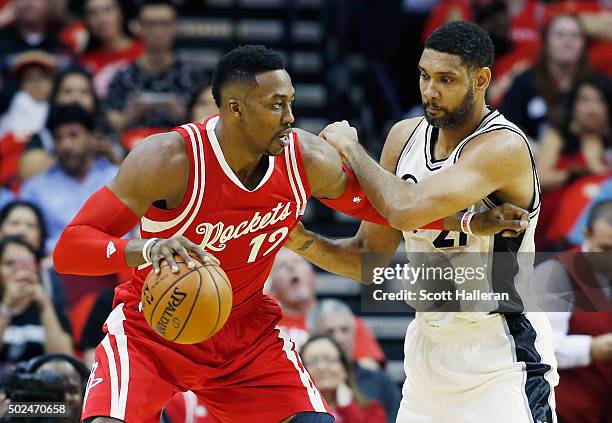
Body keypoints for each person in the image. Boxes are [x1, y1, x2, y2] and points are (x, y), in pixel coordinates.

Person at [52, 44, 527, 423]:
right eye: (276, 105)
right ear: (235, 109)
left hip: (245, 335)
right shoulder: (167, 160)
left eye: (292, 102)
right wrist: (146, 247)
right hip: (154, 331)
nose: (290, 116)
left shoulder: (305, 159)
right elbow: (70, 249)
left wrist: (464, 221)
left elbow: (383, 211)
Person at [287, 21, 558, 422]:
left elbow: (405, 208)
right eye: (424, 76)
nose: (430, 91)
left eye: (445, 79)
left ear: (481, 79)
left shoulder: (502, 146)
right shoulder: (403, 137)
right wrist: (297, 239)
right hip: (427, 351)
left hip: (499, 351)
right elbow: (367, 259)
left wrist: (352, 149)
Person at [535, 200, 612, 423]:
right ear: (586, 234)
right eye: (605, 249)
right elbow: (539, 346)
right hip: (561, 410)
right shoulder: (556, 273)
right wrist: (592, 348)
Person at [20, 104, 119, 253]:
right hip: (57, 269)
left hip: (118, 264)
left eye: (73, 135)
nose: (65, 145)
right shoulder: (34, 188)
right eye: (58, 138)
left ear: (92, 137)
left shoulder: (116, 177)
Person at [269, 248, 386, 369]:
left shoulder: (342, 323)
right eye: (282, 266)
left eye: (297, 262)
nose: (291, 268)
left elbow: (371, 370)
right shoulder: (266, 325)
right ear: (272, 287)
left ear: (313, 278)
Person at [307, 299, 401, 423]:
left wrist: (347, 407)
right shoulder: (299, 385)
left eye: (344, 330)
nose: (339, 338)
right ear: (314, 336)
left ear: (354, 333)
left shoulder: (380, 383)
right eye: (329, 331)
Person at [0, 236, 72, 365]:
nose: (19, 271)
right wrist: (7, 307)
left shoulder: (50, 299)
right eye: (10, 263)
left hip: (40, 382)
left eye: (26, 264)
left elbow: (63, 361)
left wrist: (44, 305)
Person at [301, 335, 387, 423]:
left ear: (344, 368)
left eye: (329, 360)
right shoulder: (294, 414)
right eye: (312, 362)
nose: (322, 367)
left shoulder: (373, 410)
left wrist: (347, 408)